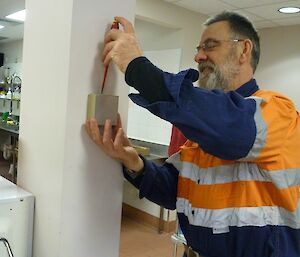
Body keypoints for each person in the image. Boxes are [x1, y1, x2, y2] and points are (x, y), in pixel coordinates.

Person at [85, 11, 300, 257]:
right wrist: (133, 160)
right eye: (199, 48)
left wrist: (138, 68)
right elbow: (175, 191)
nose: (198, 56)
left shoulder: (278, 112)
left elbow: (230, 128)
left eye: (210, 46)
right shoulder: (203, 131)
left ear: (244, 50)